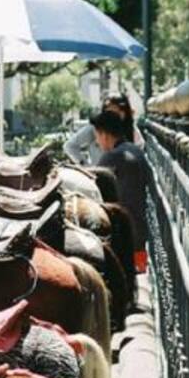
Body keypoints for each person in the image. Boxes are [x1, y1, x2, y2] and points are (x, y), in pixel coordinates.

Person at [92, 109, 149, 273]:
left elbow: (94, 189)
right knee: (139, 273)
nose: (97, 141)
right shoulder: (136, 150)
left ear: (104, 135)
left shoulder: (112, 157)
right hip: (140, 234)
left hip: (123, 238)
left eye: (97, 136)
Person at [64, 93, 141, 166]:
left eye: (118, 112)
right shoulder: (95, 128)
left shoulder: (133, 132)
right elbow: (70, 145)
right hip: (100, 175)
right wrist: (86, 166)